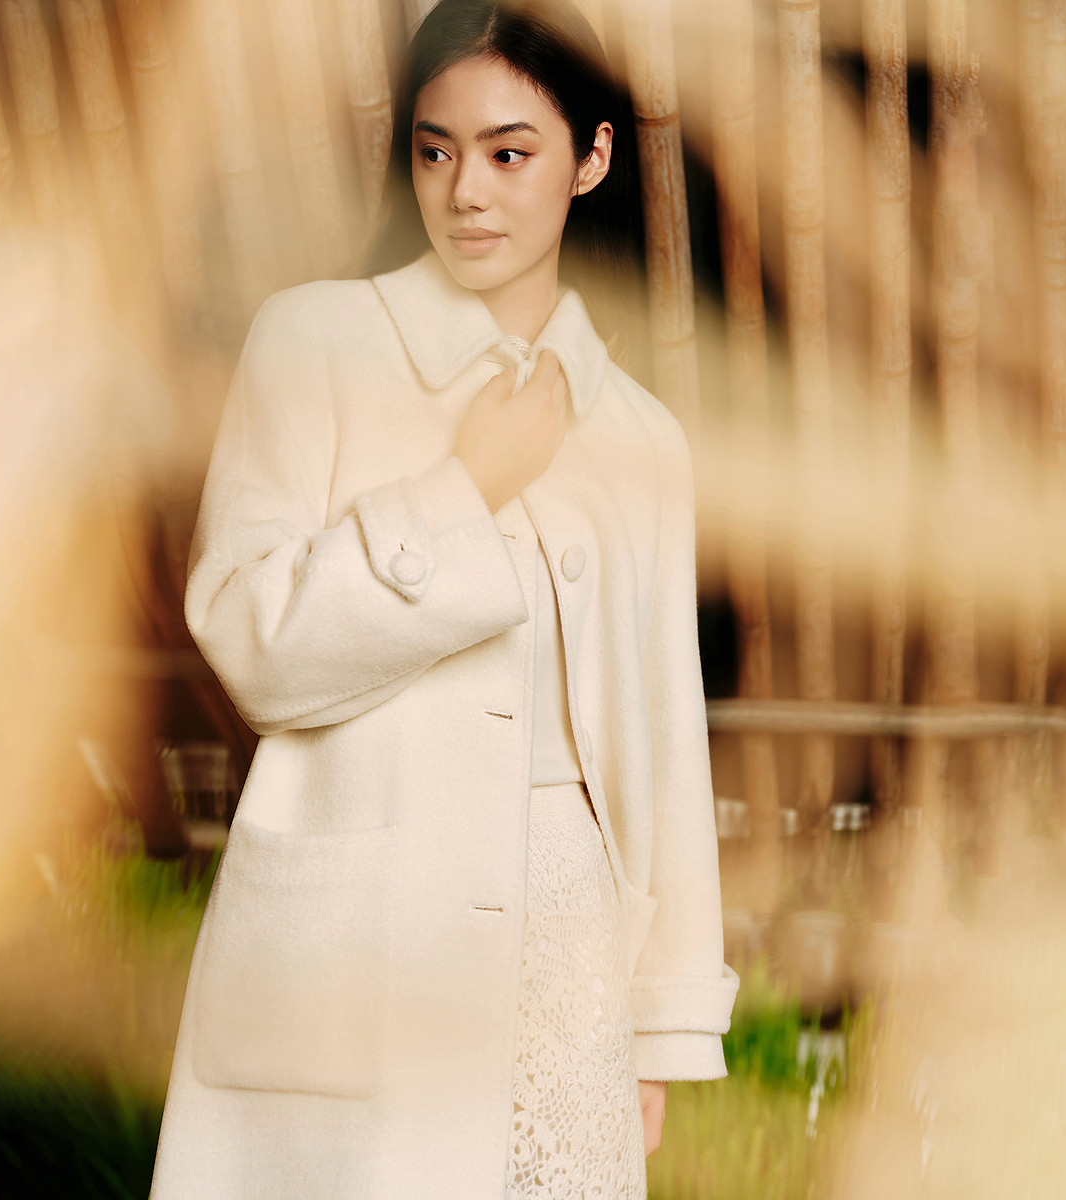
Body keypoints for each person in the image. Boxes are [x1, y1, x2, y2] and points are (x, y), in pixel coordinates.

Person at [149, 2, 739, 1197]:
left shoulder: (642, 437)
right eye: (436, 150)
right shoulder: (310, 344)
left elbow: (663, 751)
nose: (466, 191)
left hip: (568, 959)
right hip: (359, 953)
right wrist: (463, 492)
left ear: (593, 158)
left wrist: (661, 1028)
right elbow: (250, 641)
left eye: (509, 154)